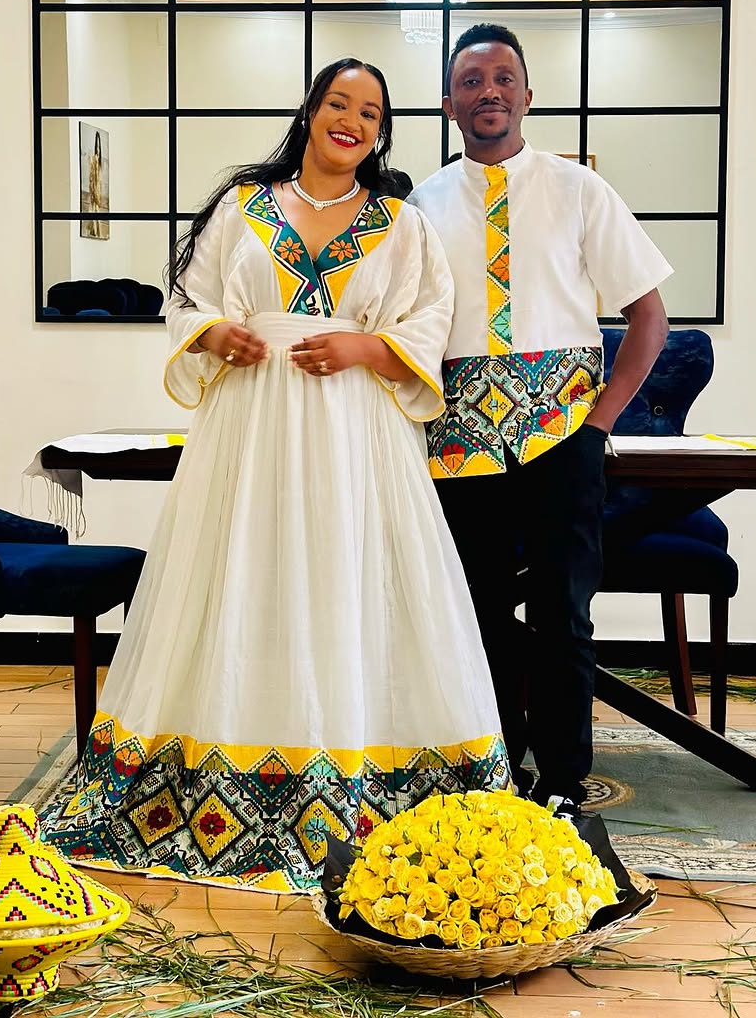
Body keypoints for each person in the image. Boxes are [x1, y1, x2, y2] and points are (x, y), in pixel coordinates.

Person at [40, 58, 510, 893]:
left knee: (346, 585)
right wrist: (216, 336)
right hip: (249, 434)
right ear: (312, 110)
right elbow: (188, 300)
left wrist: (368, 345)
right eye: (339, 103)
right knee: (241, 580)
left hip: (355, 441)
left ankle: (358, 783)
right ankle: (217, 774)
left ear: (380, 132)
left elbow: (431, 319)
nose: (352, 122)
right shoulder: (242, 209)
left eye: (370, 113)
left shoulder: (400, 224)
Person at [409, 24, 671, 820]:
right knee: (474, 612)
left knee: (562, 610)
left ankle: (561, 779)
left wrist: (598, 423)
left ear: (528, 94)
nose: (488, 91)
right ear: (449, 102)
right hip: (456, 445)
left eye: (503, 77)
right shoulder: (420, 203)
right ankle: (489, 773)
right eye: (471, 80)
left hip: (563, 437)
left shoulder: (579, 189)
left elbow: (648, 316)